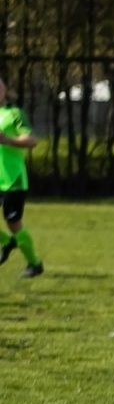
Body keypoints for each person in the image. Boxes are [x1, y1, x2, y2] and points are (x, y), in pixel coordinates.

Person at [0, 77, 43, 278]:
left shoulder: (14, 113)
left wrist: (8, 140)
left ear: (5, 89)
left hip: (13, 179)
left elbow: (32, 140)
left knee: (13, 222)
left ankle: (34, 263)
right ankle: (8, 242)